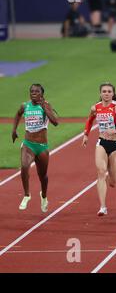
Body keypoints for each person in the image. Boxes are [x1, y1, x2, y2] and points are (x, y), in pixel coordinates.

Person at [82, 82, 116, 216]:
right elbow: (89, 120)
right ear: (100, 93)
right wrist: (86, 135)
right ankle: (103, 207)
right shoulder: (95, 108)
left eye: (109, 91)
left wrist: (115, 130)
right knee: (101, 172)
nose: (107, 93)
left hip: (115, 145)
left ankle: (112, 175)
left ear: (113, 94)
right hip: (101, 143)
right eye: (104, 91)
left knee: (114, 181)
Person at [11, 84, 59, 212]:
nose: (33, 93)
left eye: (36, 91)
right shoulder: (25, 106)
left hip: (42, 146)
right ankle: (27, 195)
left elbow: (55, 122)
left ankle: (43, 196)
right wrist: (14, 130)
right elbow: (18, 114)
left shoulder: (46, 105)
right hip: (28, 144)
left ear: (41, 94)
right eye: (32, 91)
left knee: (42, 176)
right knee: (25, 166)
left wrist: (45, 108)